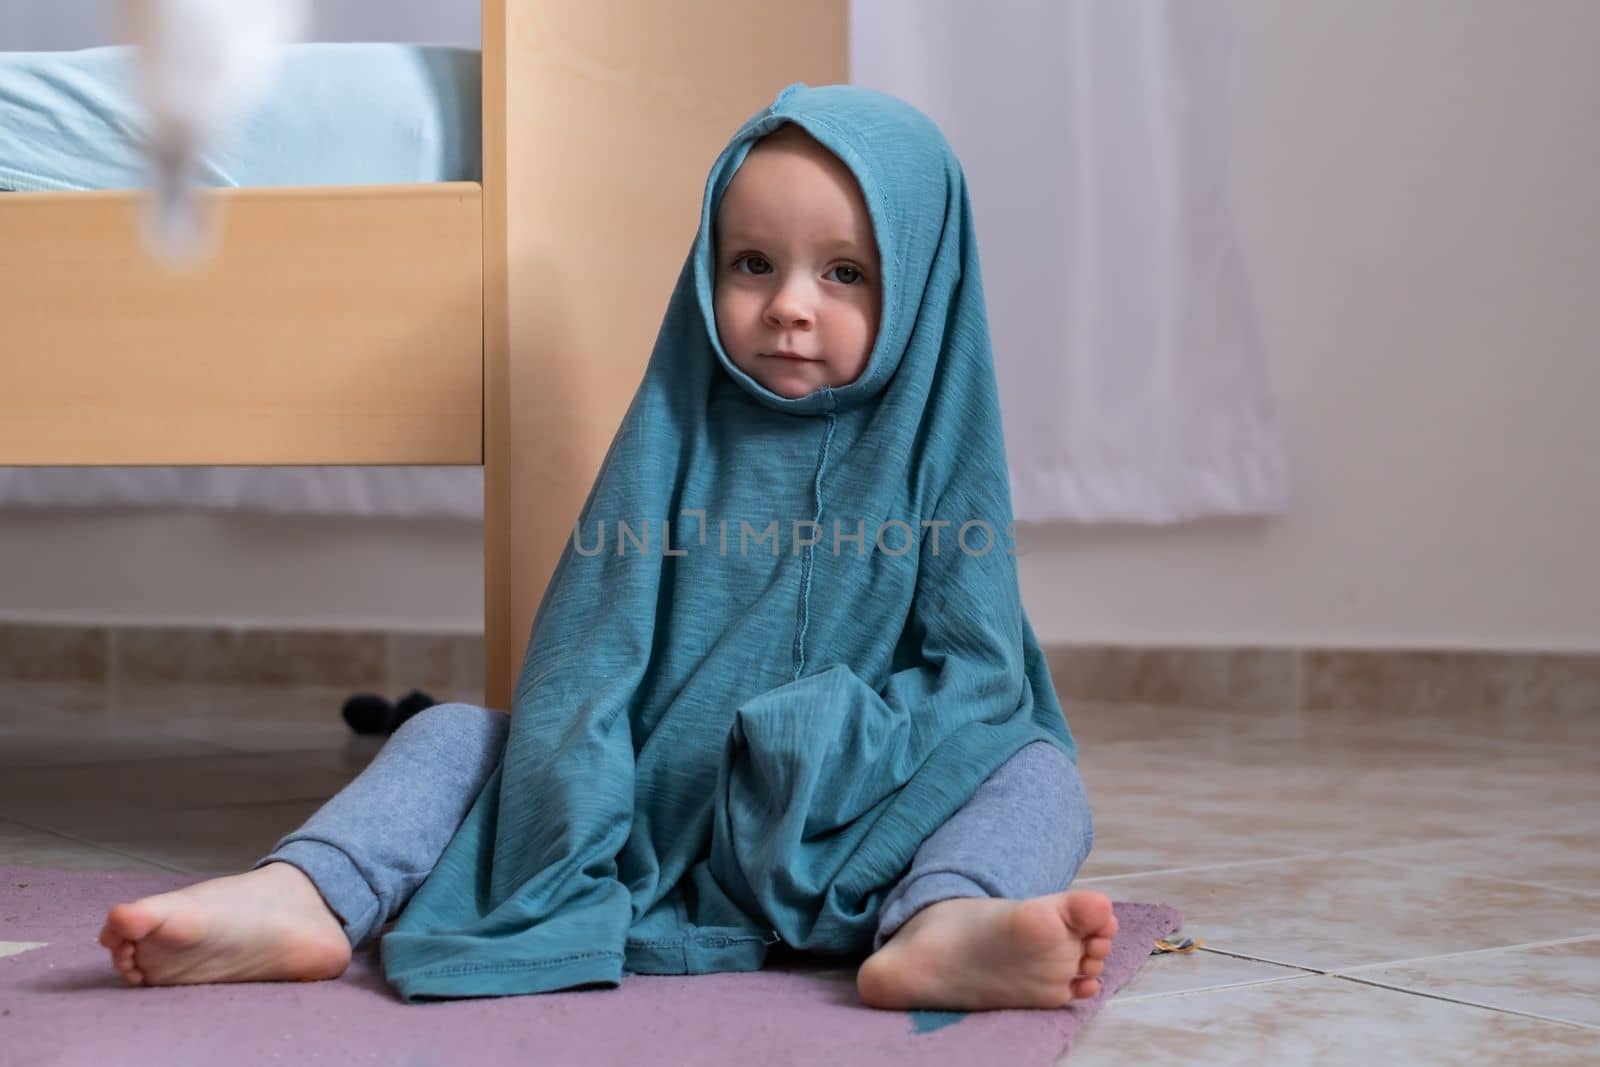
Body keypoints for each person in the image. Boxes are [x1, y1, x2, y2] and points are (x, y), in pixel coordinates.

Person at [100, 84, 1117, 1011]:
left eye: (845, 273)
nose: (789, 305)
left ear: (924, 287)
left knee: (1037, 769)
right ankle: (305, 894)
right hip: (645, 803)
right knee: (453, 736)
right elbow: (589, 646)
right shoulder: (675, 429)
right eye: (751, 264)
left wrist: (834, 738)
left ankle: (943, 921)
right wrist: (579, 798)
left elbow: (979, 676)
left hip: (847, 820)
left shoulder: (937, 448)